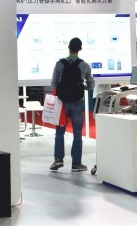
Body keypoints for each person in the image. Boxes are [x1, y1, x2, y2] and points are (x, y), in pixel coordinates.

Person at [50, 37, 95, 173]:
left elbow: (53, 83)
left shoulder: (60, 63)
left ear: (68, 47)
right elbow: (91, 84)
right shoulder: (84, 65)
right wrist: (83, 87)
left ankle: (58, 159)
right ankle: (76, 164)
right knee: (77, 133)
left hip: (62, 102)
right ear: (80, 49)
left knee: (59, 132)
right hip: (78, 101)